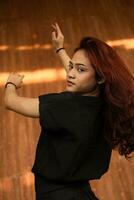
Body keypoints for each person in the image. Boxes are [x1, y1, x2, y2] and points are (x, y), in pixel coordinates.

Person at [4, 22, 134, 200]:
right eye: (72, 67)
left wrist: (11, 83)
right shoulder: (108, 100)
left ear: (101, 78)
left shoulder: (63, 106)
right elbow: (81, 76)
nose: (71, 74)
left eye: (80, 69)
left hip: (53, 193)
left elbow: (10, 102)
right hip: (78, 188)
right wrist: (60, 49)